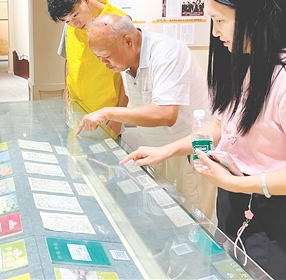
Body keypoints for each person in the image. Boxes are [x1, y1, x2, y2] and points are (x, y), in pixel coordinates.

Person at [122, 0, 286, 279]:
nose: (215, 31)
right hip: (235, 206)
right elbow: (221, 127)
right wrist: (166, 150)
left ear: (257, 15)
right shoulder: (250, 62)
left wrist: (235, 183)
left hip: (272, 221)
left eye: (220, 20)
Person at [75, 13, 217, 220]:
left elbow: (166, 114)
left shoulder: (167, 53)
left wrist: (108, 113)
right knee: (165, 215)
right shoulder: (125, 57)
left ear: (128, 41)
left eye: (106, 56)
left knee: (194, 219)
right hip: (157, 150)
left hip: (188, 152)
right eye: (98, 57)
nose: (103, 62)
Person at [46, 0, 128, 135]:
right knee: (74, 148)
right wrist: (66, 94)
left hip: (105, 112)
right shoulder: (70, 25)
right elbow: (69, 59)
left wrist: (118, 119)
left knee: (103, 150)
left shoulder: (119, 21)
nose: (75, 23)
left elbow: (129, 75)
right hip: (75, 108)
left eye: (75, 15)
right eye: (67, 21)